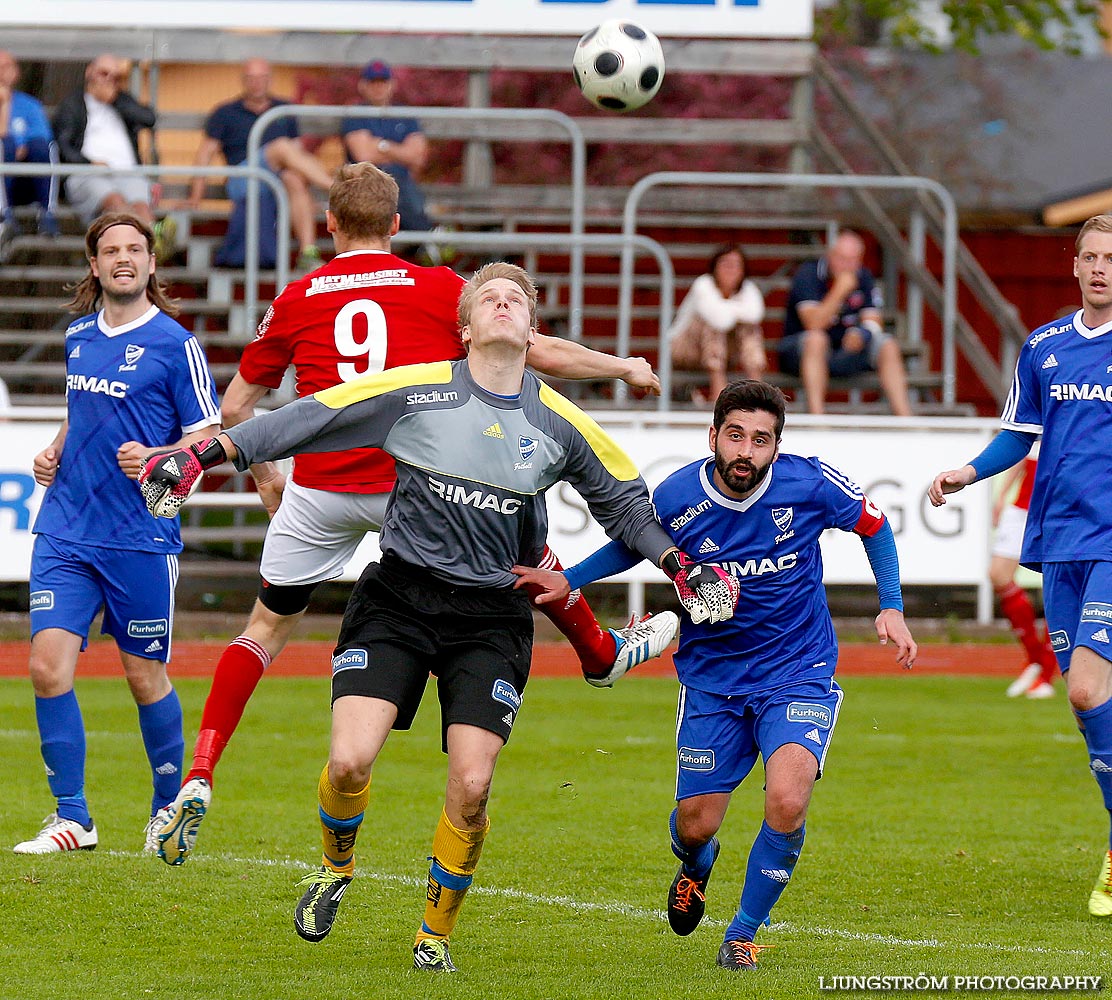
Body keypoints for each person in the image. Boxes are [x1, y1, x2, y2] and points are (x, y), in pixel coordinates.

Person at [138, 261, 740, 972]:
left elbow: (627, 506)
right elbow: (307, 418)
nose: (505, 301)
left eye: (518, 297)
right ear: (466, 327)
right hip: (398, 598)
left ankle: (433, 937)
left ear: (532, 326)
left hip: (489, 619)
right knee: (348, 761)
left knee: (473, 783)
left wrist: (682, 566)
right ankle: (336, 869)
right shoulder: (414, 391)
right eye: (490, 295)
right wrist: (202, 452)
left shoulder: (561, 421)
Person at [151, 163, 677, 869]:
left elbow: (243, 406)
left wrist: (268, 480)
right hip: (411, 471)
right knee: (515, 543)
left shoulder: (298, 294)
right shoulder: (439, 287)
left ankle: (202, 772)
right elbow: (533, 349)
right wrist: (622, 367)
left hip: (324, 481)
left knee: (264, 629)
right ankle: (600, 652)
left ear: (329, 226)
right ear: (398, 226)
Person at [513, 379, 917, 972]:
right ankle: (696, 867)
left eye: (761, 440)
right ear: (713, 438)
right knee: (695, 826)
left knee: (787, 798)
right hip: (712, 678)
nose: (746, 451)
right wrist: (569, 579)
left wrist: (892, 605)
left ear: (776, 447)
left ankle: (744, 933)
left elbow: (874, 527)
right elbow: (635, 544)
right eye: (735, 436)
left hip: (798, 669)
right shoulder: (680, 495)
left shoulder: (809, 483)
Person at [11, 212, 220, 855]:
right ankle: (72, 815)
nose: (123, 258)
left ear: (151, 265)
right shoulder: (79, 336)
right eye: (111, 250)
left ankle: (165, 812)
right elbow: (84, 413)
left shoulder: (176, 344)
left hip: (140, 537)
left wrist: (158, 461)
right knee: (48, 667)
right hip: (66, 528)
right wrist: (54, 449)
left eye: (135, 249)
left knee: (143, 677)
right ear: (95, 266)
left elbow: (206, 439)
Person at [929, 213, 1112, 918]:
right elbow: (1018, 435)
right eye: (1090, 256)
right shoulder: (1045, 348)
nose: (1099, 268)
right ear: (1074, 266)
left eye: (1110, 258)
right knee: (1084, 702)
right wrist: (967, 472)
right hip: (1059, 543)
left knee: (1091, 690)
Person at [187, 58, 337, 272]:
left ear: (270, 80)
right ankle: (336, 189)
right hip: (242, 179)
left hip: (277, 182)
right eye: (251, 78)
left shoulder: (284, 109)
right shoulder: (225, 112)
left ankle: (308, 253)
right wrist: (195, 198)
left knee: (293, 177)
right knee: (280, 146)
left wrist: (306, 190)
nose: (257, 83)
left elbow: (298, 155)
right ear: (243, 81)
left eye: (262, 78)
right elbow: (205, 155)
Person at [52, 55, 176, 260]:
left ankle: (147, 247)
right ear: (89, 72)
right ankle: (151, 241)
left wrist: (115, 100)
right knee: (115, 202)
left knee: (141, 206)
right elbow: (63, 145)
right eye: (103, 73)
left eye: (116, 77)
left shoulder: (122, 100)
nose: (109, 80)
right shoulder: (72, 104)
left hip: (128, 172)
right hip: (88, 174)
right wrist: (89, 163)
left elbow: (149, 119)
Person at [779, 230, 912, 416]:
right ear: (830, 255)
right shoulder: (809, 274)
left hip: (846, 349)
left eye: (852, 260)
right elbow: (813, 323)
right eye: (841, 258)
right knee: (817, 340)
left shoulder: (864, 277)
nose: (846, 266)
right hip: (801, 352)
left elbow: (874, 320)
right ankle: (818, 419)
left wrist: (863, 333)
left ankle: (906, 420)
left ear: (860, 260)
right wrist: (840, 290)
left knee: (888, 344)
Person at [991, 445, 1056, 699]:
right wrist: (1003, 495)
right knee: (998, 574)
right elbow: (1021, 443)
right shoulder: (1039, 407)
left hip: (1053, 509)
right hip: (1021, 507)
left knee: (1056, 582)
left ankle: (1046, 675)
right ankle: (1035, 658)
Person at [341, 61, 433, 237]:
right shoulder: (355, 114)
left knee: (398, 188)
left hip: (403, 184)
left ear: (392, 84)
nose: (378, 87)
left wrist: (382, 146)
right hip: (366, 182)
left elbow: (418, 157)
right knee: (389, 186)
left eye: (382, 82)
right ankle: (428, 237)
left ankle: (425, 239)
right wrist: (400, 153)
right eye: (373, 82)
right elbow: (364, 155)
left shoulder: (404, 114)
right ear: (363, 86)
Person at [668, 243, 766, 403]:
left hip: (725, 352)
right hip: (685, 350)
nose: (730, 269)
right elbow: (720, 320)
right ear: (714, 267)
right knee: (713, 324)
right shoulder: (703, 285)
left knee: (749, 328)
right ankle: (718, 392)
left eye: (736, 265)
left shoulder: (748, 288)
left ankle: (757, 388)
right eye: (725, 263)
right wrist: (737, 310)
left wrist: (728, 309)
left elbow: (756, 315)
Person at [0, 49, 60, 238]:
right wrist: (4, 104)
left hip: (22, 180)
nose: (1, 71)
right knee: (4, 146)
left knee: (45, 147)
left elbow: (41, 139)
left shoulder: (29, 105)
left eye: (5, 66)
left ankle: (48, 214)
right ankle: (3, 214)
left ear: (16, 72)